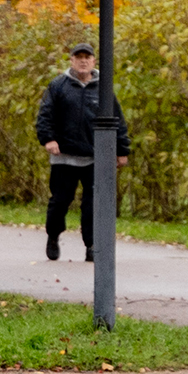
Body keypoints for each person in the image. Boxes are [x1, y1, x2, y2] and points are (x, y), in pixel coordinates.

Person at [36, 43, 130, 261]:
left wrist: (121, 149)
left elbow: (117, 119)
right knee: (60, 202)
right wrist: (48, 139)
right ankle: (53, 236)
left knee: (92, 205)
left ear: (94, 61)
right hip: (64, 157)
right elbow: (45, 116)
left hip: (94, 157)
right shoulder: (58, 86)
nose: (83, 61)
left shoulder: (104, 88)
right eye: (78, 57)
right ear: (71, 60)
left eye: (87, 57)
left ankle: (91, 245)